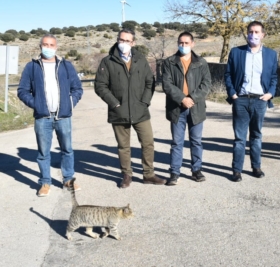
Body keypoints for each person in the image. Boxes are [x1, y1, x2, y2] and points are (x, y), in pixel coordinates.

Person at [94, 28, 165, 188]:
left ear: (133, 43)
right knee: (123, 146)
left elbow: (149, 81)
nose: (123, 44)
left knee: (148, 143)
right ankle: (126, 175)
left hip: (140, 111)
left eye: (127, 41)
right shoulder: (108, 61)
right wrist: (115, 103)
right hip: (119, 112)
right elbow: (100, 86)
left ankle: (149, 174)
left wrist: (145, 101)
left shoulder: (140, 59)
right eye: (121, 40)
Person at [17, 34, 83, 197]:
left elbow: (77, 88)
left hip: (63, 116)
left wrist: (70, 103)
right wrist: (37, 105)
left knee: (67, 150)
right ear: (40, 47)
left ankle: (68, 179)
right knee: (43, 152)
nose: (48, 47)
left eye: (51, 45)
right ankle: (45, 182)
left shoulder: (66, 65)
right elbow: (22, 91)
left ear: (56, 47)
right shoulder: (31, 67)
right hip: (43, 117)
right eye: (45, 44)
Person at [224, 21, 278, 182]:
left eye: (256, 32)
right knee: (240, 138)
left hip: (260, 100)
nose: (253, 35)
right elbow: (228, 75)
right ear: (247, 34)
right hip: (240, 100)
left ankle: (256, 167)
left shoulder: (271, 54)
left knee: (256, 135)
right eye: (250, 31)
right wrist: (233, 94)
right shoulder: (236, 52)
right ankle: (236, 170)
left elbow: (274, 77)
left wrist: (270, 93)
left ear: (263, 35)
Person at [161, 31, 211, 186]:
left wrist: (192, 99)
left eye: (186, 43)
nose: (183, 46)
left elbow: (206, 84)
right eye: (181, 43)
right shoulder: (169, 62)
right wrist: (182, 98)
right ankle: (175, 172)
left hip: (196, 108)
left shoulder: (201, 63)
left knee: (196, 141)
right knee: (177, 142)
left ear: (192, 44)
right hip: (177, 108)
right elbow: (167, 84)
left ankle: (196, 170)